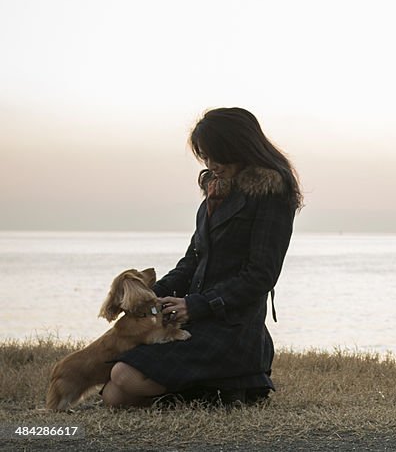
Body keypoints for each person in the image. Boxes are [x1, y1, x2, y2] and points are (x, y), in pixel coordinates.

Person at [102, 108, 301, 407]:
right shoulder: (216, 192)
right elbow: (192, 261)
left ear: (238, 147)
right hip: (198, 320)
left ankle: (230, 389)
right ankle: (213, 393)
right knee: (114, 392)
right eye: (205, 156)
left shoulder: (272, 193)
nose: (210, 165)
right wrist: (148, 297)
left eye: (215, 155)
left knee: (124, 377)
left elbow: (261, 275)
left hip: (233, 329)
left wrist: (196, 305)